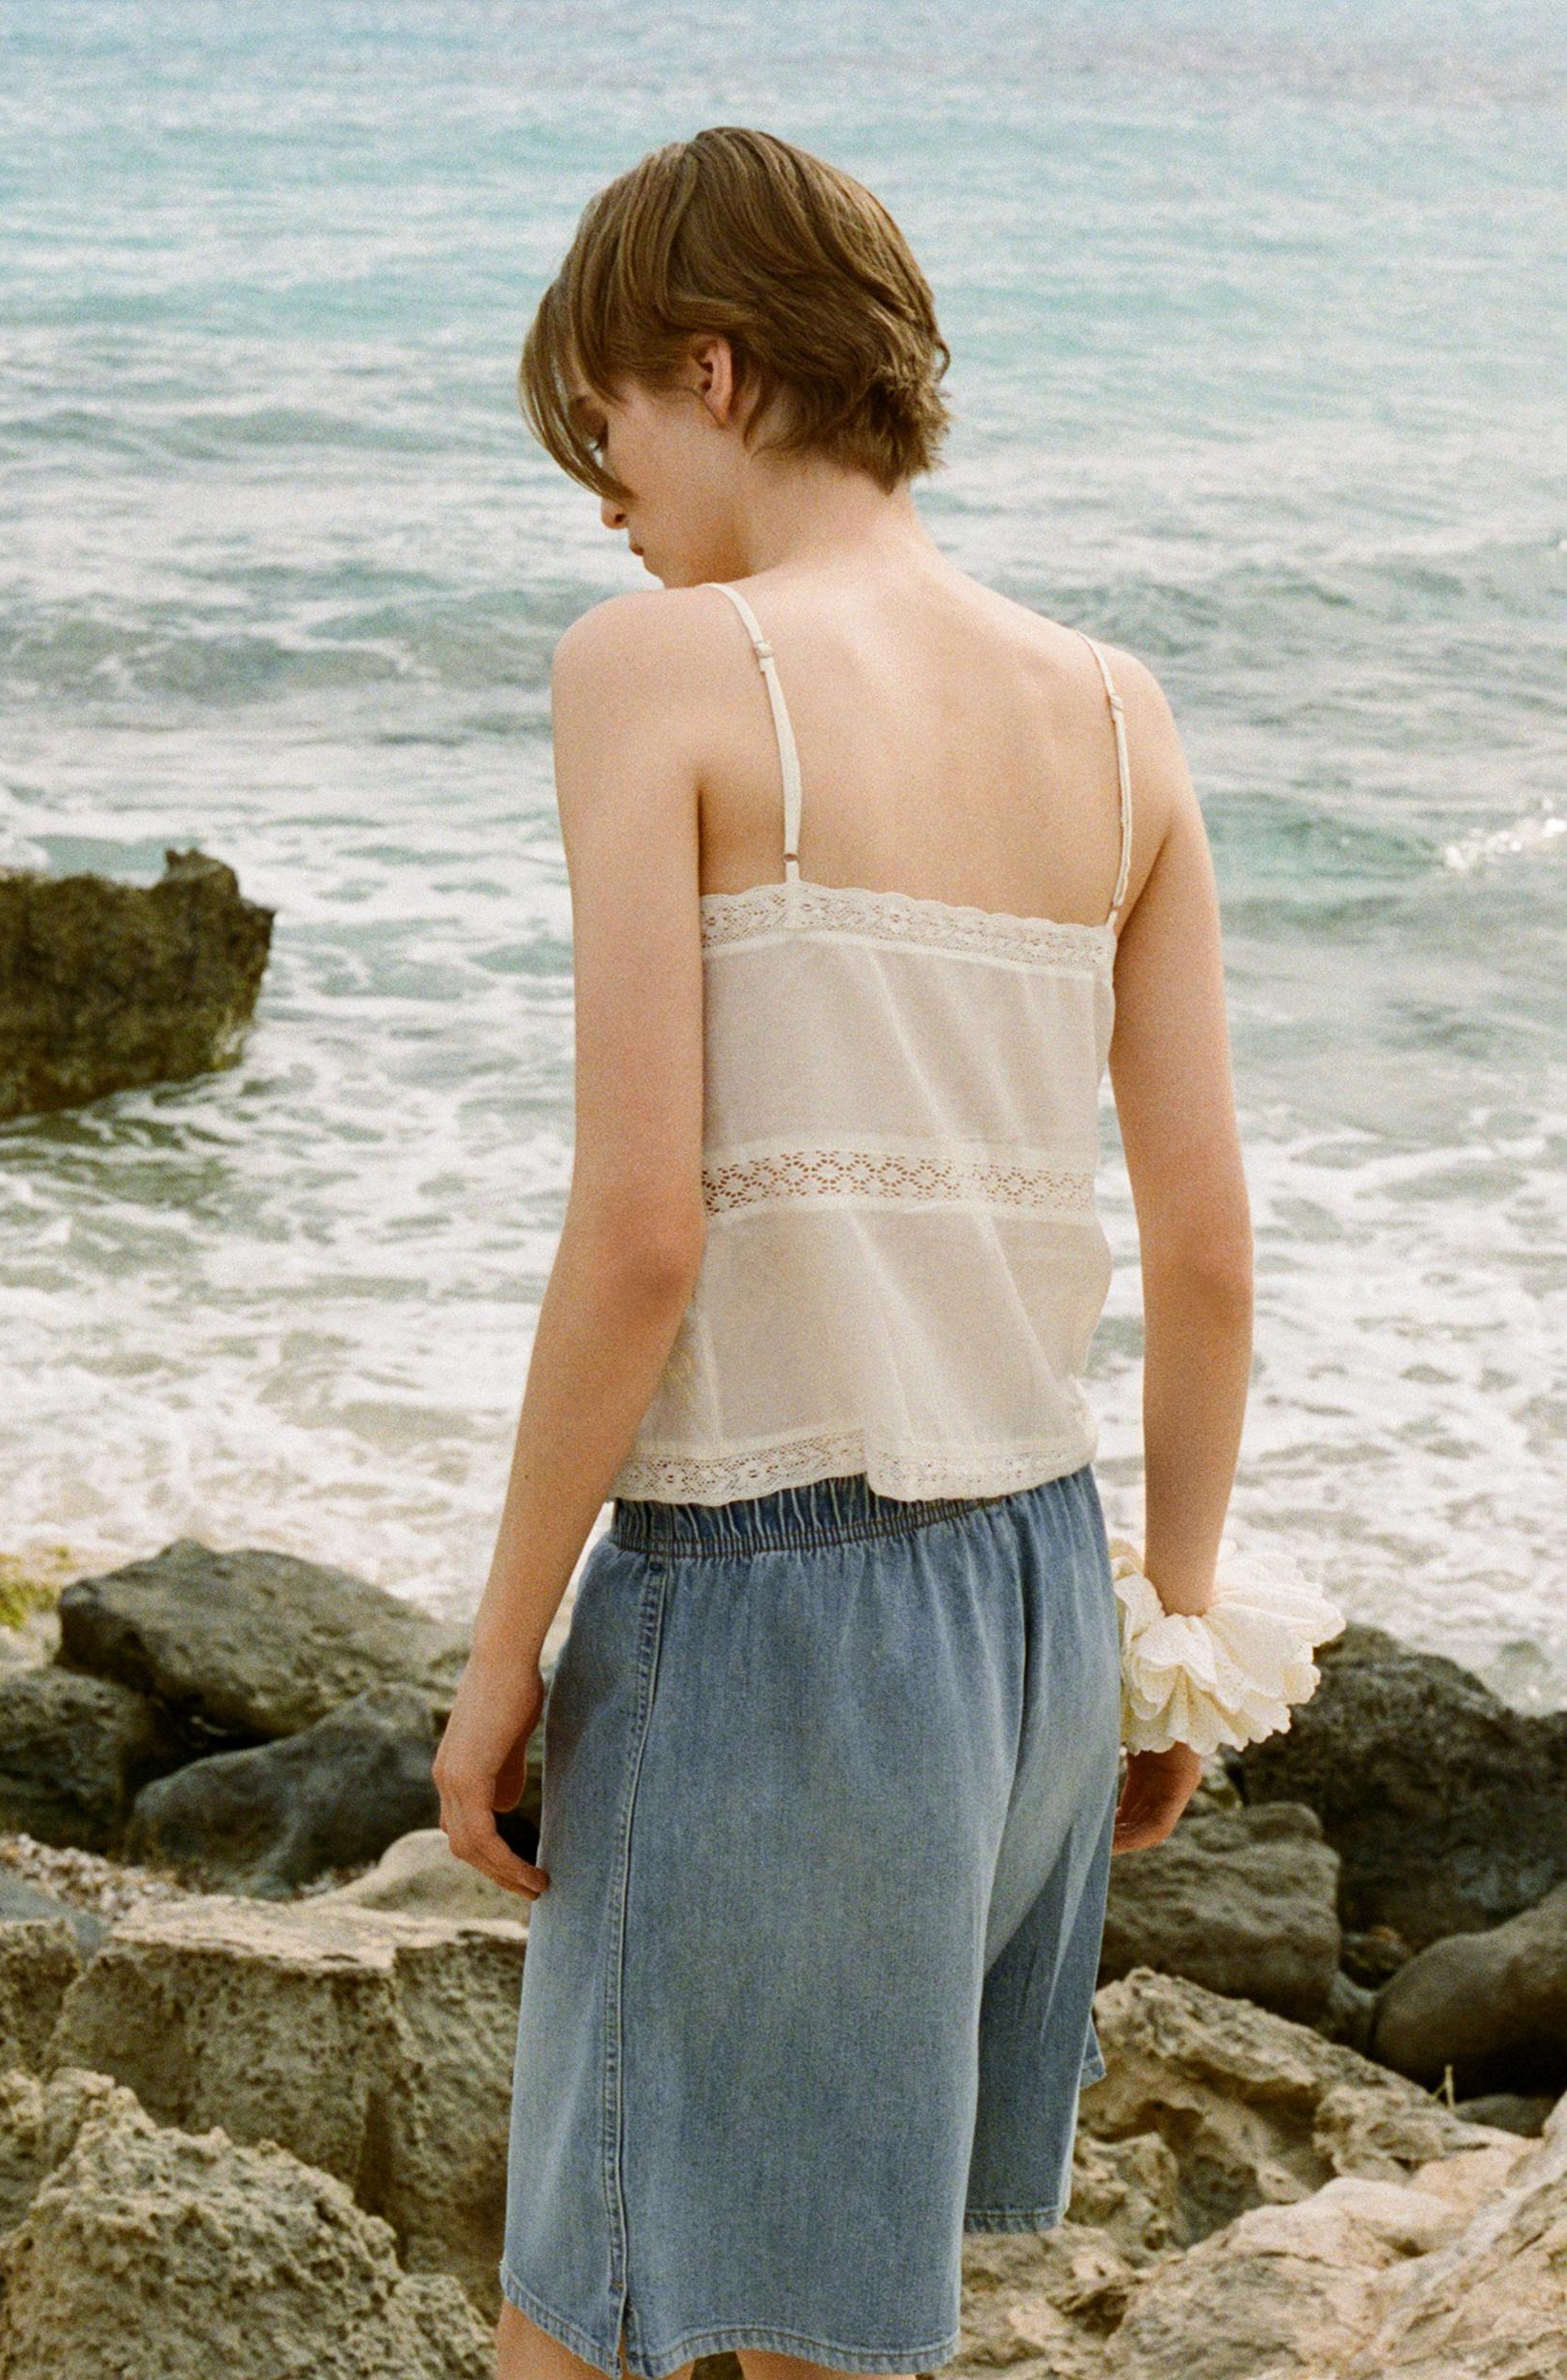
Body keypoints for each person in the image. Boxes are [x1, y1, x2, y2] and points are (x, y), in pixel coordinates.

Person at [433, 124, 1339, 2380]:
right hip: (1028, 1602)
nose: (605, 506)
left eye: (605, 434)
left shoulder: (660, 669)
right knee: (825, 2329)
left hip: (774, 1605)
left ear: (710, 367)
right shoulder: (1113, 712)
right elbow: (1205, 1247)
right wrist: (1168, 1636)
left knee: (593, 2311)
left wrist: (500, 1647)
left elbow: (641, 1230)